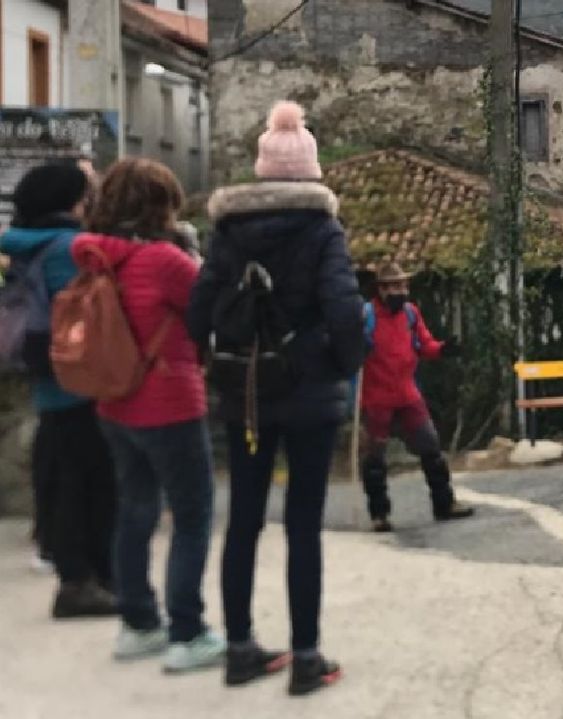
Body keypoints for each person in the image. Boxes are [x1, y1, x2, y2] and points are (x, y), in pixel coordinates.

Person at [188, 100, 364, 694]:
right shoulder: (322, 228)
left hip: (244, 392)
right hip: (310, 390)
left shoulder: (228, 230)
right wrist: (343, 365)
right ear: (311, 168)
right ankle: (306, 657)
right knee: (302, 525)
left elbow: (200, 305)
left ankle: (240, 650)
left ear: (262, 169)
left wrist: (209, 364)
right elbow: (343, 308)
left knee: (242, 519)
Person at [72, 158, 224, 672]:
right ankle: (188, 633)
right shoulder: (164, 261)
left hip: (114, 402)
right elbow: (211, 306)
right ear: (160, 207)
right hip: (170, 402)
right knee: (192, 515)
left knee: (134, 511)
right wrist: (192, 252)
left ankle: (138, 624)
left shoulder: (94, 256)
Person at [1, 161, 117, 618]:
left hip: (45, 376)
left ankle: (73, 571)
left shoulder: (22, 245)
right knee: (95, 481)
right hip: (82, 376)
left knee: (63, 476)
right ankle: (85, 580)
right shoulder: (69, 248)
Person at [357, 261, 473, 533]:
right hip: (376, 400)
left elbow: (424, 345)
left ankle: (444, 504)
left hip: (408, 395)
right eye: (394, 286)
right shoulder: (366, 316)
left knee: (431, 449)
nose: (401, 291)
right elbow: (353, 351)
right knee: (374, 461)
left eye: (403, 285)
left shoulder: (410, 314)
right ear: (381, 290)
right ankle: (379, 515)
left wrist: (444, 349)